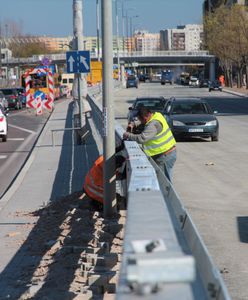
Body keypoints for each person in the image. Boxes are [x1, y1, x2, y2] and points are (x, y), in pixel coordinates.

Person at [123, 106, 176, 181]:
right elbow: (142, 120)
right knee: (160, 181)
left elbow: (142, 138)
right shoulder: (157, 115)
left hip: (165, 156)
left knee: (164, 182)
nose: (142, 122)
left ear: (146, 116)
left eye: (143, 119)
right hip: (166, 153)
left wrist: (128, 135)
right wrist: (134, 124)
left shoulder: (153, 125)